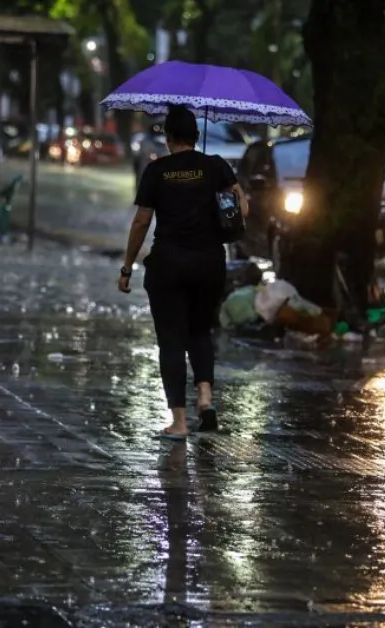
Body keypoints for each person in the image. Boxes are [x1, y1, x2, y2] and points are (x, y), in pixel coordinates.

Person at [118, 105, 248, 439]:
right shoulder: (216, 166)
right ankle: (205, 400)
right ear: (196, 135)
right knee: (201, 332)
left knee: (172, 341)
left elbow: (142, 222)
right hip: (209, 265)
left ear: (168, 137)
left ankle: (178, 422)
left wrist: (127, 266)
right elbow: (242, 209)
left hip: (169, 266)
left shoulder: (156, 171)